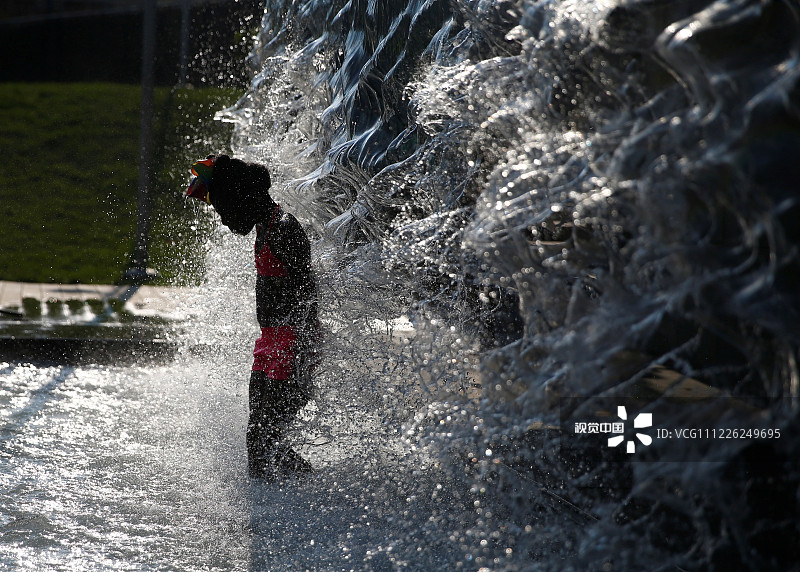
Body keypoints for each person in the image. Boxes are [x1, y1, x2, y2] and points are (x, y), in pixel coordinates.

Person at [186, 154, 319, 479]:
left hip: (292, 346)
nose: (223, 221)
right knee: (261, 442)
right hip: (269, 345)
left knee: (263, 441)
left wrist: (304, 354)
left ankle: (286, 508)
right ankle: (288, 501)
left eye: (224, 210)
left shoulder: (284, 230)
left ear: (242, 198)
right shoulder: (265, 229)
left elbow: (310, 297)